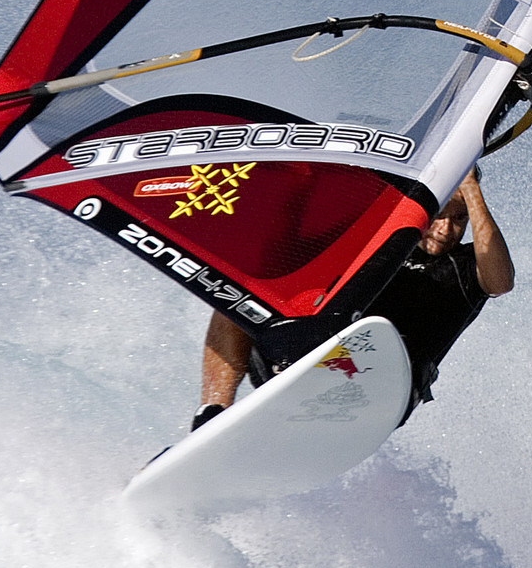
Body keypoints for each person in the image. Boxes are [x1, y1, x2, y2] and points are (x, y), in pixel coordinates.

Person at [191, 168, 513, 429]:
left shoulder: (467, 268)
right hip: (302, 367)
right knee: (243, 295)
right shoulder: (381, 241)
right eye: (440, 214)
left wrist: (470, 188)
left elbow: (501, 281)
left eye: (459, 219)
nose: (445, 229)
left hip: (377, 403)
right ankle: (210, 417)